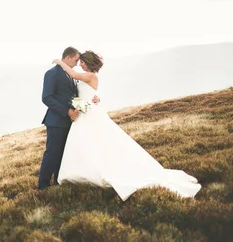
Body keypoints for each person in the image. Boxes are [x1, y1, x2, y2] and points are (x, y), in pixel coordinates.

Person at [53, 50, 201, 200]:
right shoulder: (87, 76)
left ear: (88, 63)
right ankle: (86, 172)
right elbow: (84, 91)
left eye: (82, 62)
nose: (80, 65)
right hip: (86, 113)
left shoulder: (91, 76)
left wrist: (60, 62)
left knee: (96, 142)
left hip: (90, 115)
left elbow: (74, 75)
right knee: (88, 143)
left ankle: (96, 171)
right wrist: (93, 98)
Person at [38, 47, 99, 190]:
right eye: (77, 60)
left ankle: (58, 182)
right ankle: (43, 186)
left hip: (71, 122)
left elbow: (77, 94)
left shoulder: (71, 75)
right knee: (52, 153)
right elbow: (46, 98)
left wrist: (94, 98)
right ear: (68, 58)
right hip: (56, 121)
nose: (78, 64)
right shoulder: (52, 73)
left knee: (64, 154)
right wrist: (67, 111)